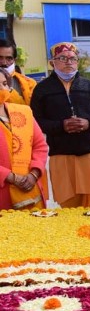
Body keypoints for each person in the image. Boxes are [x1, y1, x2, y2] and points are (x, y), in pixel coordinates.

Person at [30, 42, 90, 208]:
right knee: (69, 206)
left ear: (77, 61)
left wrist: (89, 123)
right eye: (62, 58)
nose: (68, 62)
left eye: (72, 58)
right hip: (61, 155)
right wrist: (60, 125)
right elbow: (35, 122)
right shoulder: (42, 90)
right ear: (52, 63)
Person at [0, 68, 49, 210]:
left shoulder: (24, 112)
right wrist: (11, 177)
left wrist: (34, 174)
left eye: (4, 83)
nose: (1, 88)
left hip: (31, 189)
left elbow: (40, 146)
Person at [0, 40, 38, 105]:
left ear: (15, 60)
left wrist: (9, 90)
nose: (4, 62)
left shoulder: (29, 83)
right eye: (0, 58)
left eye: (9, 58)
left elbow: (30, 110)